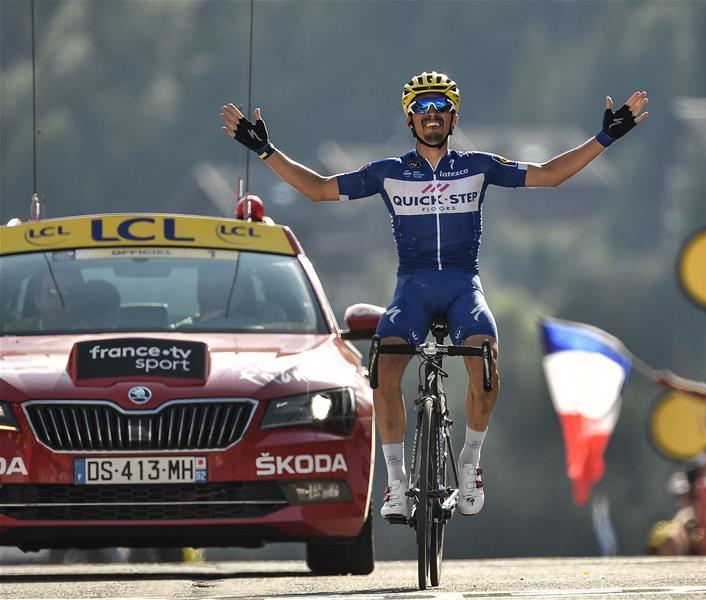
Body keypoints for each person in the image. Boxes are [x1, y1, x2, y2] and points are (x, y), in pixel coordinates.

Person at [220, 71, 649, 519]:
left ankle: (470, 461)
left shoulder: (478, 166)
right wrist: (265, 150)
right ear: (409, 119)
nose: (431, 114)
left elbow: (550, 176)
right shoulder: (389, 173)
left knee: (486, 364)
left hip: (463, 286)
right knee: (383, 370)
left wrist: (605, 137)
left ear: (453, 117)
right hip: (413, 288)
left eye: (440, 106)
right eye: (421, 107)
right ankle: (397, 482)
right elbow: (318, 189)